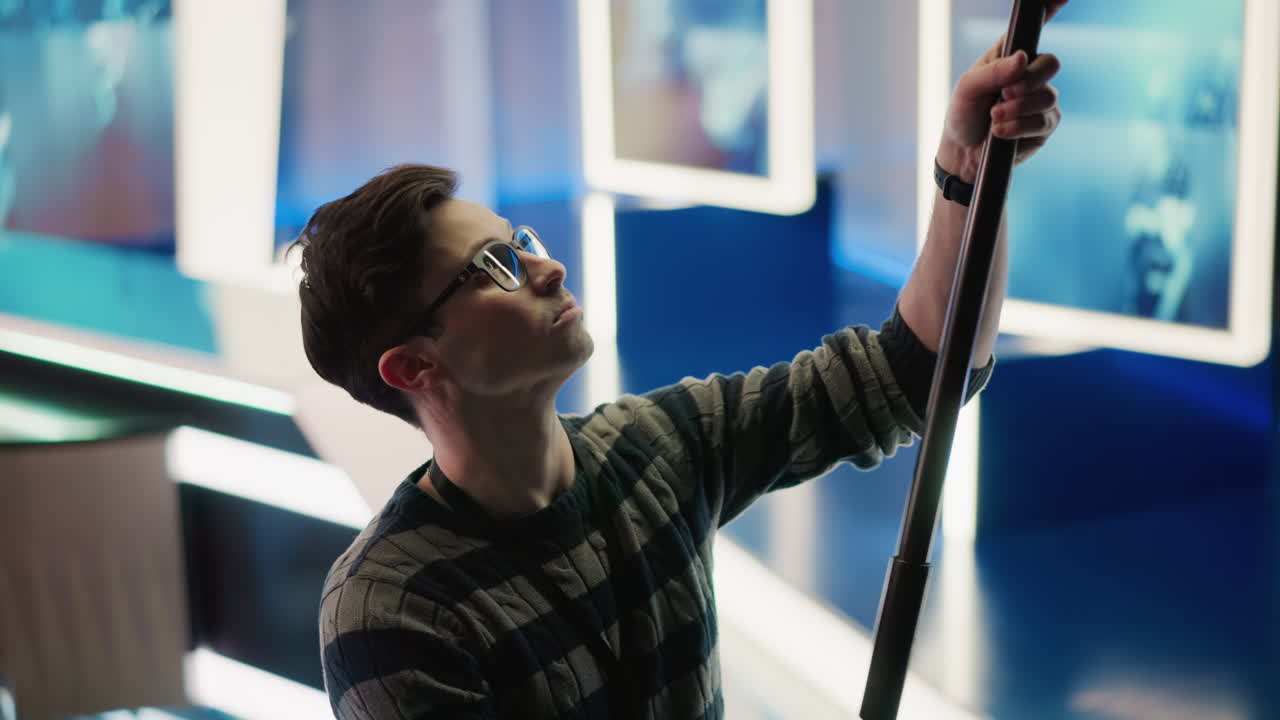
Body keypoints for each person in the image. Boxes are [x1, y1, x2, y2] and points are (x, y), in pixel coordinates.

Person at [298, 9, 1065, 718]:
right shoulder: (394, 611)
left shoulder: (651, 449)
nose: (548, 268)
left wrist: (966, 164)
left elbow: (918, 372)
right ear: (413, 368)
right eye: (493, 266)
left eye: (521, 240)